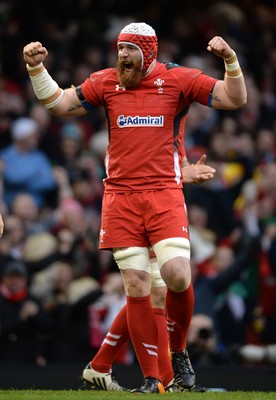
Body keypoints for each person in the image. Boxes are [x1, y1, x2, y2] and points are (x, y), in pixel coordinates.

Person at [23, 22, 247, 393]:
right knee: (138, 285)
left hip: (163, 194)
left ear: (149, 52)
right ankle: (152, 380)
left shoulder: (179, 79)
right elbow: (60, 103)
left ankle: (178, 353)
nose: (122, 56)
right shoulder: (106, 81)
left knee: (177, 275)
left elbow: (234, 98)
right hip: (120, 198)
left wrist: (230, 59)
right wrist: (36, 68)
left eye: (130, 50)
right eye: (120, 49)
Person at [82, 156, 215, 393]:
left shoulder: (173, 120)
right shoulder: (133, 121)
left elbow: (172, 155)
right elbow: (132, 157)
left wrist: (183, 171)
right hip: (140, 199)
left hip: (164, 198)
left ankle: (103, 365)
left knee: (156, 289)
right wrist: (181, 175)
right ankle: (166, 378)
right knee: (153, 289)